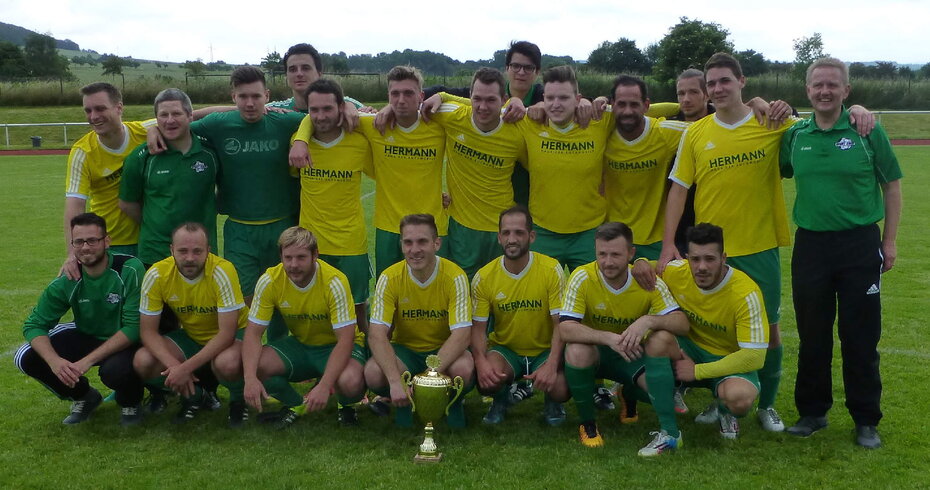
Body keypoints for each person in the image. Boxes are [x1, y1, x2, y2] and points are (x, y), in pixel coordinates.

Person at [658, 53, 799, 432]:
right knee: (713, 329)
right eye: (712, 84)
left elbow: (815, 124)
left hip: (759, 246)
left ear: (742, 81)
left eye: (725, 81)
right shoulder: (696, 133)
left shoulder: (770, 123)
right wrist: (668, 243)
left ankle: (767, 405)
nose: (718, 89)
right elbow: (678, 191)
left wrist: (856, 111)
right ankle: (721, 401)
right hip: (711, 253)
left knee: (769, 331)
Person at [780, 57, 903, 449]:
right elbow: (769, 148)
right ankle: (812, 413)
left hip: (859, 244)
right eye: (818, 85)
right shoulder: (795, 135)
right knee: (812, 335)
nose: (824, 91)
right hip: (811, 246)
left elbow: (892, 185)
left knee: (860, 337)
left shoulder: (867, 130)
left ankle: (866, 419)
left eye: (832, 85)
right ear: (807, 90)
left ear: (846, 90)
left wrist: (889, 241)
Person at [159, 66, 307, 342]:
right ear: (233, 97)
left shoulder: (285, 121)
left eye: (256, 96)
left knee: (282, 295)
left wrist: (306, 134)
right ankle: (244, 355)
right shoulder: (219, 124)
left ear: (267, 96)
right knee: (243, 301)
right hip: (240, 230)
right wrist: (155, 131)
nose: (250, 103)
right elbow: (179, 124)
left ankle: (277, 351)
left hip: (282, 226)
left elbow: (322, 115)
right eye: (242, 97)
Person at [292, 65, 448, 277]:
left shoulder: (439, 123)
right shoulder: (373, 124)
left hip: (431, 225)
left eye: (408, 93)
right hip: (388, 228)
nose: (401, 100)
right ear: (388, 96)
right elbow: (317, 115)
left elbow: (473, 108)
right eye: (395, 94)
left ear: (421, 96)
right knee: (389, 289)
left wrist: (443, 96)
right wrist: (301, 139)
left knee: (433, 289)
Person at [559, 222, 688, 454]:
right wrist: (608, 338)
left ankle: (628, 394)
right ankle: (588, 423)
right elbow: (566, 328)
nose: (608, 262)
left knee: (663, 389)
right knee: (576, 350)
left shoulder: (646, 280)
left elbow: (681, 323)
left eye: (616, 255)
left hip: (632, 354)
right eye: (602, 254)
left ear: (631, 253)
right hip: (597, 353)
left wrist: (648, 321)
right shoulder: (583, 276)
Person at [225, 226, 367, 428]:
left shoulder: (334, 282)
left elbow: (346, 339)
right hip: (302, 345)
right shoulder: (270, 280)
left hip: (337, 346)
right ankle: (296, 405)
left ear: (315, 255)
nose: (293, 265)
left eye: (301, 257)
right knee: (255, 364)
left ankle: (346, 405)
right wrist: (249, 378)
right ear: (281, 257)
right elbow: (253, 334)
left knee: (350, 381)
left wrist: (325, 385)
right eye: (288, 258)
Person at [15, 212, 146, 426]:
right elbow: (35, 325)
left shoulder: (130, 268)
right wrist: (55, 362)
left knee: (115, 371)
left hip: (124, 340)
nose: (85, 248)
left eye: (92, 240)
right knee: (27, 356)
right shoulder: (69, 277)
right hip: (88, 334)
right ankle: (84, 396)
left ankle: (130, 402)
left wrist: (86, 361)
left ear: (107, 241)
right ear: (72, 244)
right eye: (79, 242)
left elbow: (133, 328)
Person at [660, 223, 770, 439]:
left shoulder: (745, 293)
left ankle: (724, 410)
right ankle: (665, 398)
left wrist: (698, 371)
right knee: (658, 339)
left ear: (723, 258)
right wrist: (641, 264)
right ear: (687, 258)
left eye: (710, 259)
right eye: (695, 259)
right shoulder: (676, 272)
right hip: (688, 350)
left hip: (728, 359)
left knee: (739, 398)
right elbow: (645, 270)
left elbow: (755, 356)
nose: (701, 267)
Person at [133, 222, 249, 426]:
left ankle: (239, 401)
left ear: (208, 250)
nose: (189, 258)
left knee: (227, 362)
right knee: (143, 360)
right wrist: (174, 366)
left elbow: (227, 333)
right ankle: (196, 396)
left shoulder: (222, 270)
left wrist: (185, 368)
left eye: (197, 251)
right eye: (183, 251)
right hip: (192, 335)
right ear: (171, 250)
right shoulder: (157, 274)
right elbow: (148, 332)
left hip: (233, 336)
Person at [364, 214, 474, 428]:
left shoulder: (455, 276)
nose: (415, 250)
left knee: (464, 368)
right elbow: (376, 334)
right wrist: (395, 382)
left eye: (422, 241)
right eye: (408, 242)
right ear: (402, 245)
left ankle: (452, 403)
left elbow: (462, 335)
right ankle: (403, 402)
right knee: (373, 372)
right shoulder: (389, 277)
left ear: (436, 244)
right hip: (406, 352)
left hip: (443, 350)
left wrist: (428, 376)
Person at [420, 68, 527, 277]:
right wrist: (442, 96)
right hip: (462, 228)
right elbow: (405, 107)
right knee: (463, 288)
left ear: (504, 100)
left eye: (491, 100)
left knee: (501, 289)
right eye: (477, 99)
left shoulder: (519, 130)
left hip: (502, 228)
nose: (482, 107)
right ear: (469, 97)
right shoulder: (452, 116)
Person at [471, 206, 568, 426]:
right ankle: (500, 399)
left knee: (561, 388)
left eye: (519, 233)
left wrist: (552, 363)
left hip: (544, 350)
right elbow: (478, 329)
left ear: (531, 236)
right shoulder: (484, 277)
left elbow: (560, 324)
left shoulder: (551, 270)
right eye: (506, 233)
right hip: (507, 351)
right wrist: (481, 362)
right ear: (499, 237)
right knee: (487, 378)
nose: (512, 239)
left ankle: (553, 402)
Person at [297, 78, 373, 331]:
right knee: (315, 310)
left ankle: (364, 352)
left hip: (350, 243)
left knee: (358, 309)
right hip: (311, 244)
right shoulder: (298, 144)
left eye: (327, 108)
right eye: (314, 110)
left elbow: (389, 175)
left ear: (341, 107)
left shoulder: (359, 143)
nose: (320, 116)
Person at [520, 65, 612, 271]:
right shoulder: (530, 123)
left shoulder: (599, 120)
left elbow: (642, 110)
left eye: (563, 98)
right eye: (550, 98)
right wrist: (514, 102)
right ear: (543, 99)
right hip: (543, 231)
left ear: (578, 99)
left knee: (594, 290)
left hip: (589, 233)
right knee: (542, 291)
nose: (556, 104)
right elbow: (483, 108)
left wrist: (602, 100)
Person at [62, 82, 154, 279]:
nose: (93, 116)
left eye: (100, 108)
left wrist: (234, 109)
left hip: (152, 239)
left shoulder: (144, 131)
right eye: (88, 110)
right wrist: (72, 254)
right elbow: (75, 205)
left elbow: (187, 115)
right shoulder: (83, 152)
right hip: (112, 244)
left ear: (119, 107)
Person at [119, 88, 219, 268]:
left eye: (176, 114)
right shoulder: (141, 157)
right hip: (156, 253)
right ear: (156, 119)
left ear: (190, 116)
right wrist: (154, 223)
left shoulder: (210, 153)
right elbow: (127, 203)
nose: (170, 120)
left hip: (201, 252)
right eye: (163, 115)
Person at [603, 75, 688, 261]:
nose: (627, 111)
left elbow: (709, 128)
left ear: (646, 105)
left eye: (634, 104)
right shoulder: (602, 130)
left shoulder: (664, 132)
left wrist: (748, 107)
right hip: (614, 237)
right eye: (621, 104)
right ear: (612, 105)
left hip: (655, 241)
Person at [266, 43, 365, 112]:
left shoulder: (348, 106)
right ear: (286, 75)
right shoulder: (273, 110)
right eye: (292, 69)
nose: (299, 74)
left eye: (305, 68)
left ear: (319, 73)